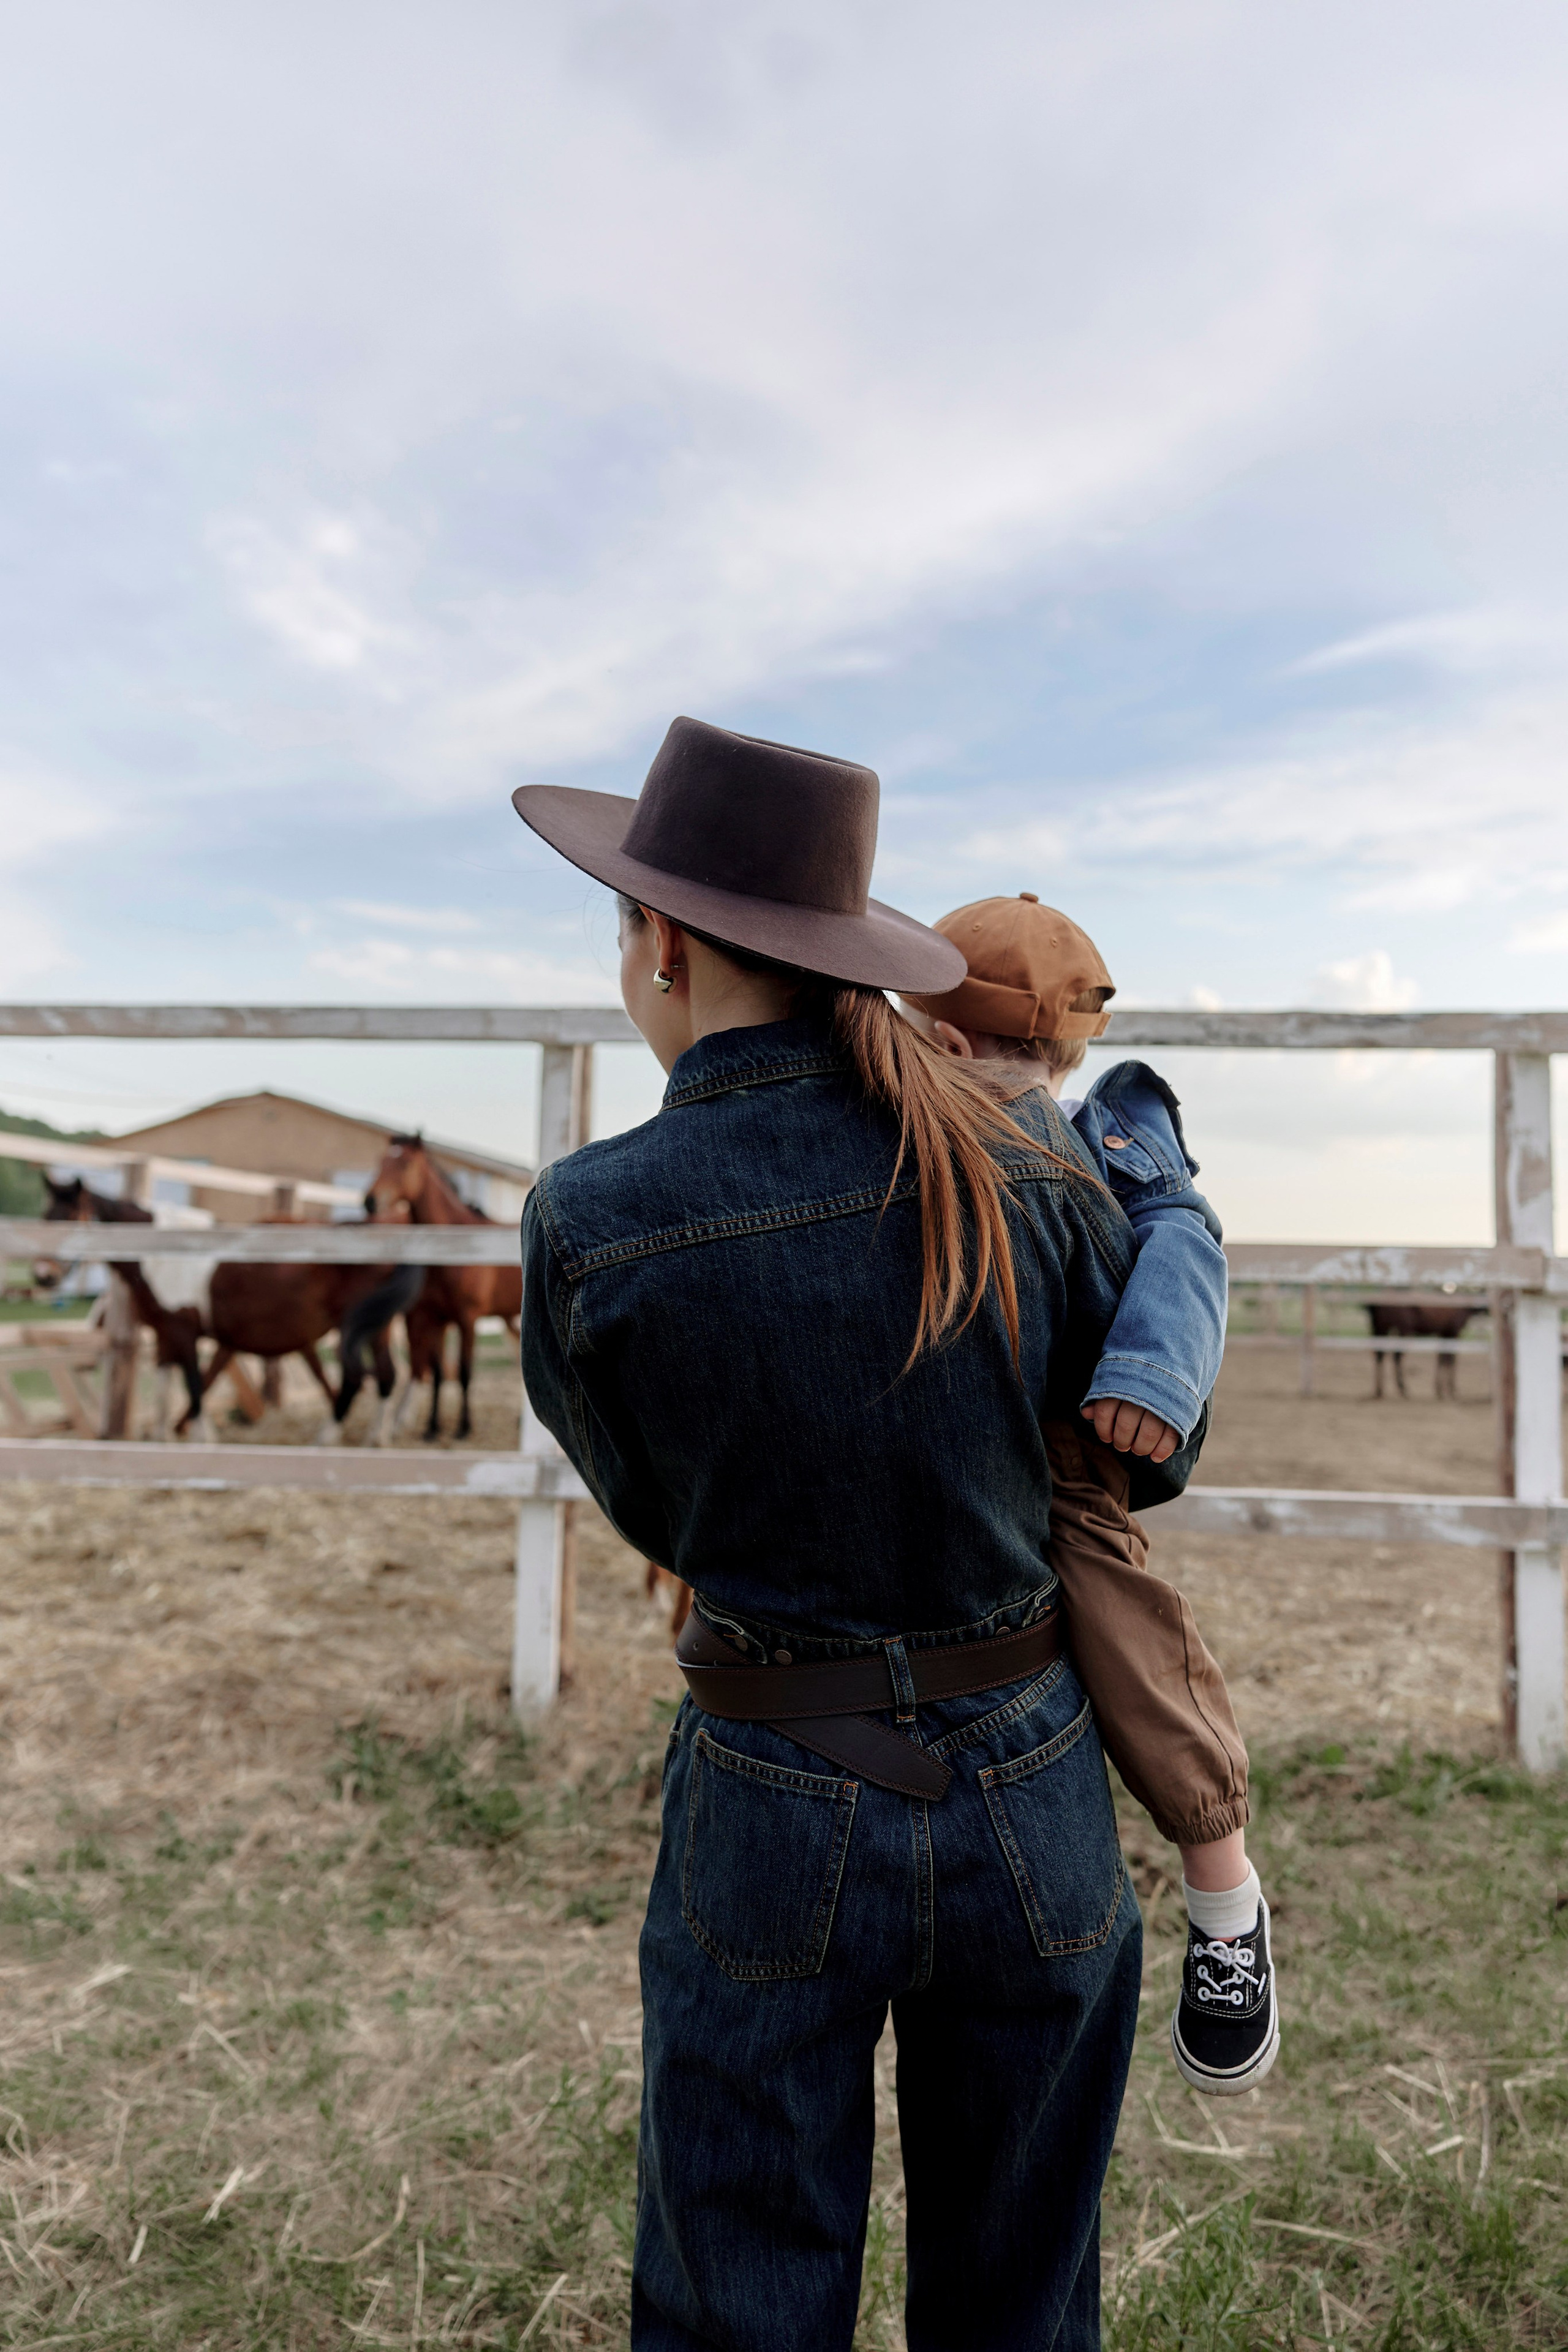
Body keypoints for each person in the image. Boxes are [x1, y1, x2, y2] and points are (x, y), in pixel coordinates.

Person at [514, 718, 1156, 2350]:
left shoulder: (593, 1219)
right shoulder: (1032, 1168)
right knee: (1023, 2297)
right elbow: (1135, 1458)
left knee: (739, 2291)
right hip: (1034, 1772)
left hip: (771, 1776)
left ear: (661, 943)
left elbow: (656, 1507)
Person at [901, 894, 1278, 2098]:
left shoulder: (1102, 1142)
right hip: (963, 1411)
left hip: (1069, 1433)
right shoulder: (911, 1121)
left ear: (946, 1045)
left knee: (1112, 1601)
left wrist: (1148, 1380)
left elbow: (1181, 1236)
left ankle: (1221, 1888)